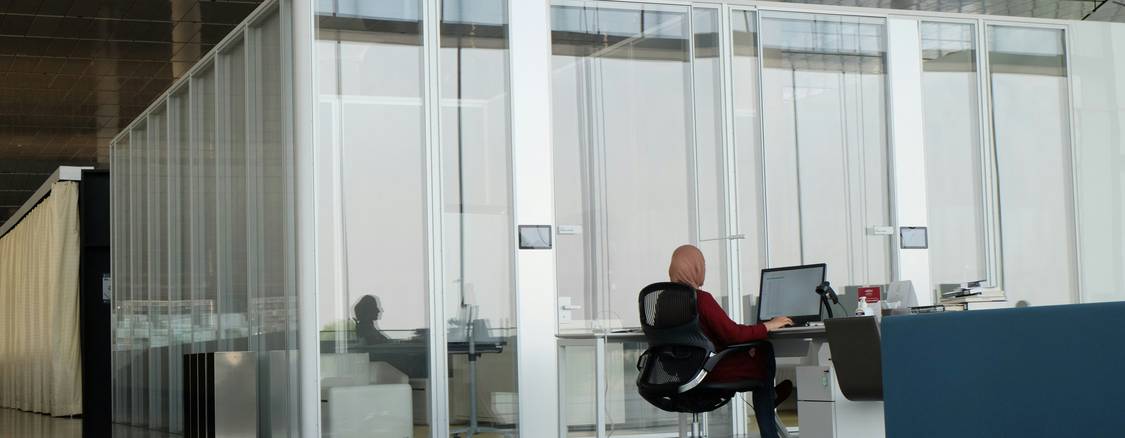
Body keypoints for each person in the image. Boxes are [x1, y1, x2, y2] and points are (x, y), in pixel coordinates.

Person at [668, 244, 794, 438]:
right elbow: (732, 334)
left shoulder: (662, 303)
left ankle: (769, 396)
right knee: (764, 351)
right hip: (709, 372)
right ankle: (769, 425)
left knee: (756, 358)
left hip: (679, 374)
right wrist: (767, 326)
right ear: (695, 268)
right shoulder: (701, 299)